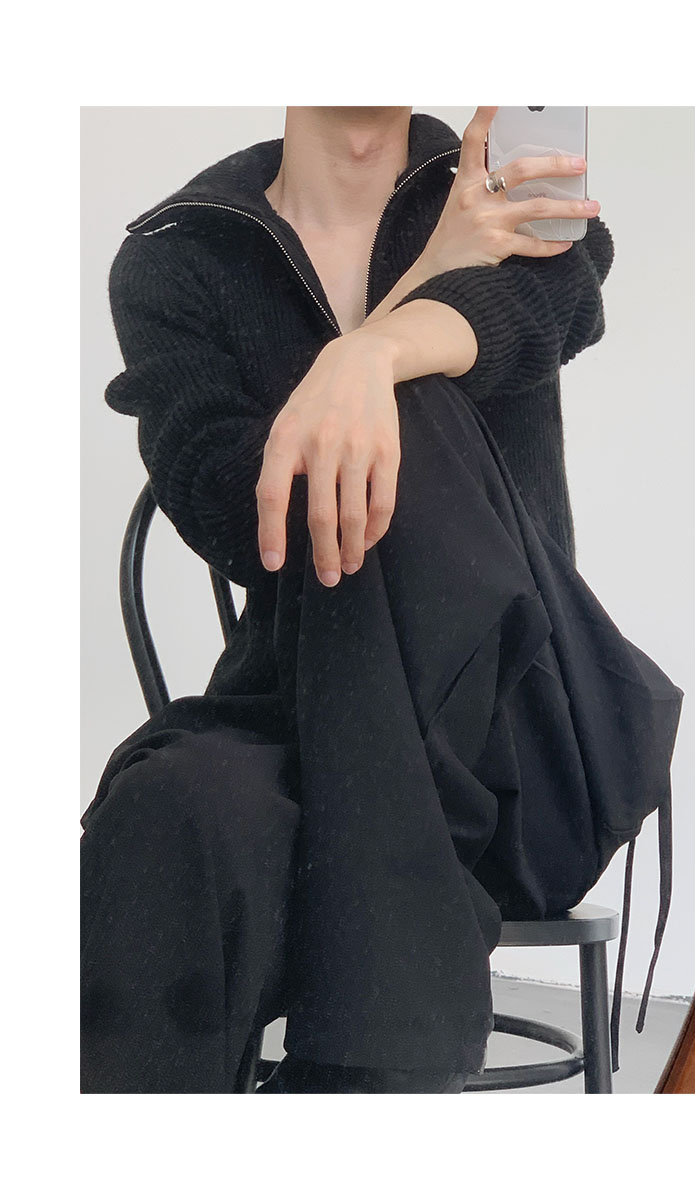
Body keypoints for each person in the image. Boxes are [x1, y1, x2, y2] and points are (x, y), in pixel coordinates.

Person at [81, 106, 621, 1093]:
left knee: (418, 410)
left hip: (513, 742)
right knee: (173, 805)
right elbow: (243, 523)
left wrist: (372, 356)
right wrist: (409, 300)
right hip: (293, 722)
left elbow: (554, 314)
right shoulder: (178, 257)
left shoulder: (505, 197)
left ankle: (367, 1075)